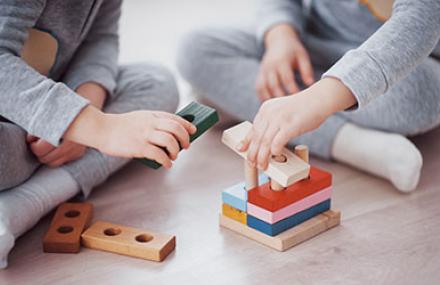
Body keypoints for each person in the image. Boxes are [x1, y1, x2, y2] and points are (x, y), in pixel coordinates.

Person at [0, 0, 195, 268]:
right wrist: (100, 129)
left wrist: (85, 109)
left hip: (45, 109)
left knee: (155, 82)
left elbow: (100, 39)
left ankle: (22, 203)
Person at [177, 0, 440, 193]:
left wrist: (318, 100)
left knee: (422, 97)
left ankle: (245, 100)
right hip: (311, 43)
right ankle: (348, 142)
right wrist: (280, 35)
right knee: (196, 48)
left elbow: (420, 21)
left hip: (402, 61)